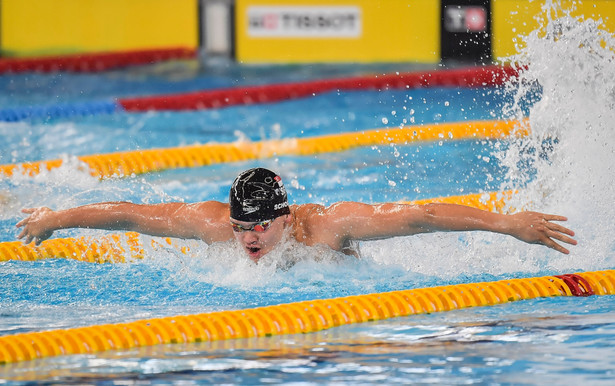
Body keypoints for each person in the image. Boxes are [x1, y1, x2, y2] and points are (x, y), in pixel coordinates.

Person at [16, 167, 577, 263]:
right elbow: (135, 216)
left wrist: (507, 223)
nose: (248, 239)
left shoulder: (327, 227)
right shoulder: (219, 226)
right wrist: (56, 218)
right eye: (240, 227)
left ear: (285, 219)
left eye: (259, 226)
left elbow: (419, 216)